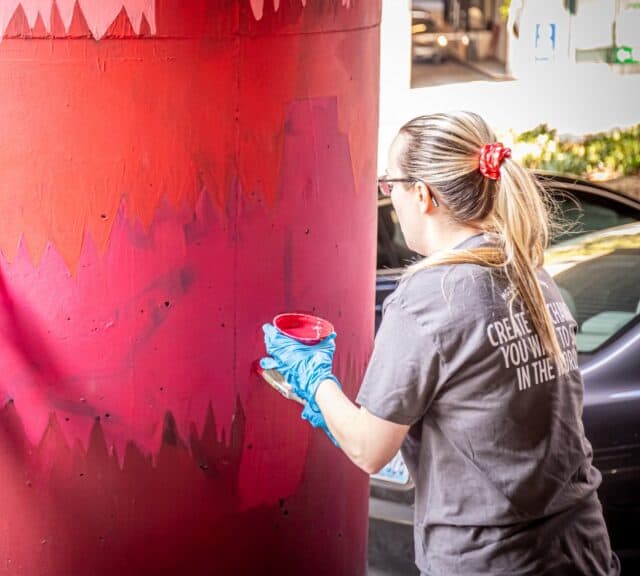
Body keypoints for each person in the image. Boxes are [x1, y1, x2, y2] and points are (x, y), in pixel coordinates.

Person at [261, 111, 619, 574]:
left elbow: (369, 450)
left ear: (422, 194)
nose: (389, 195)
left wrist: (313, 380)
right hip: (581, 550)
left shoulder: (431, 295)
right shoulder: (529, 273)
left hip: (492, 560)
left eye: (390, 183)